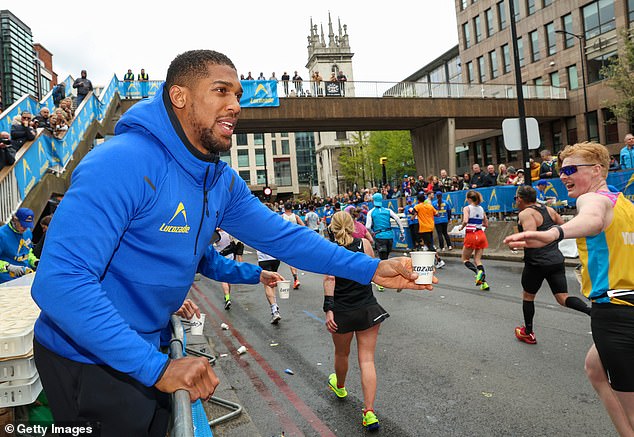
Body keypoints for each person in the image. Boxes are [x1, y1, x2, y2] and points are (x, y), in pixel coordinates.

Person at [31, 50, 432, 436]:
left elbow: (284, 236)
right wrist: (157, 369)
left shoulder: (218, 179)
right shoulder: (122, 161)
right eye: (221, 91)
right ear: (180, 96)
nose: (236, 104)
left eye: (238, 95)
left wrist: (371, 268)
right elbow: (60, 282)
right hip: (86, 359)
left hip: (145, 350)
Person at [504, 142, 634, 436]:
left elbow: (591, 219)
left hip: (615, 314)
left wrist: (553, 233)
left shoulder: (592, 201)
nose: (563, 176)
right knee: (595, 369)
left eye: (571, 170)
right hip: (625, 308)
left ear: (597, 170)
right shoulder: (624, 204)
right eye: (562, 170)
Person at [323, 212, 393, 431]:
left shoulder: (330, 250)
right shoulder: (364, 244)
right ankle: (369, 413)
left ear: (332, 228)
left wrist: (329, 310)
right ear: (353, 225)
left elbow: (330, 279)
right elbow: (373, 271)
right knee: (367, 360)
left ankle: (340, 386)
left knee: (342, 354)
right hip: (367, 308)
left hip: (342, 310)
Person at [512, 185, 590, 345]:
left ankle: (528, 332)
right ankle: (591, 311)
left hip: (536, 262)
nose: (516, 201)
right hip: (555, 260)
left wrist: (515, 243)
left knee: (528, 296)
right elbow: (563, 228)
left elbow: (531, 238)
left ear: (520, 199)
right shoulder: (549, 210)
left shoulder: (526, 213)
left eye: (516, 198)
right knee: (562, 297)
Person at [366, 193, 405, 291]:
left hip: (379, 237)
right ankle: (390, 277)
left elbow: (367, 226)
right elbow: (397, 219)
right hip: (389, 237)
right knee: (386, 258)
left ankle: (382, 281)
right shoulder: (388, 210)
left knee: (382, 259)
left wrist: (371, 233)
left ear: (373, 201)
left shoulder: (371, 212)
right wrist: (402, 232)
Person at [459, 190, 489, 290]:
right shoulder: (481, 208)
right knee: (477, 260)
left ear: (469, 199)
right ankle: (484, 283)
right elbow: (486, 224)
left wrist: (461, 227)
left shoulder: (467, 208)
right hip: (481, 234)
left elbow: (465, 220)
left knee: (465, 259)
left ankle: (477, 273)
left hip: (471, 234)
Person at [0, 208, 38, 284]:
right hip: (6, 280)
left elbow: (28, 251)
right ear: (15, 220)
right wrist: (9, 267)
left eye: (27, 226)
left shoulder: (28, 233)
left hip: (25, 277)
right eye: (22, 225)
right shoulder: (2, 235)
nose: (24, 228)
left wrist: (35, 261)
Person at [412, 192, 445, 268]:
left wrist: (413, 217)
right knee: (427, 243)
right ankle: (429, 259)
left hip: (423, 228)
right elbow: (437, 214)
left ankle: (439, 260)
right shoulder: (430, 206)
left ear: (418, 200)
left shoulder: (418, 206)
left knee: (428, 244)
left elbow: (413, 213)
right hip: (430, 226)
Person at [281, 202, 305, 289]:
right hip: (295, 239)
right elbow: (303, 226)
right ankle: (296, 278)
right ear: (292, 208)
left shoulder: (282, 217)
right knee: (294, 258)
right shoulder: (296, 216)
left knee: (290, 260)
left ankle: (296, 278)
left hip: (287, 240)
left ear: (284, 208)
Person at [214, 228, 236, 310]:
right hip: (230, 256)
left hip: (221, 257)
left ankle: (227, 298)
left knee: (223, 279)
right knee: (228, 278)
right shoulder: (228, 232)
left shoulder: (217, 235)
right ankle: (227, 296)